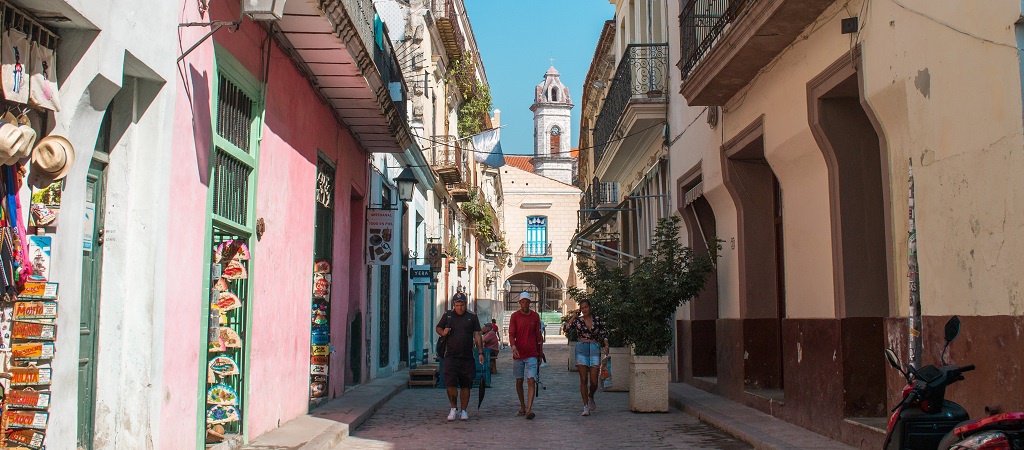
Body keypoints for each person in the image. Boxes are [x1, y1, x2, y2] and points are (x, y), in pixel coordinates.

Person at [435, 292, 485, 421]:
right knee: (450, 383)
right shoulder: (448, 316)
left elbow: (477, 335)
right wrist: (443, 332)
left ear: (465, 304)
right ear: (453, 305)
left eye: (461, 305)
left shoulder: (472, 317)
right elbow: (438, 328)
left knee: (466, 384)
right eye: (457, 305)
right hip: (450, 356)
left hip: (467, 356)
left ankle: (464, 410)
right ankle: (453, 408)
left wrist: (480, 352)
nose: (459, 308)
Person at [561, 299, 608, 416]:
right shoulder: (578, 321)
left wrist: (606, 345)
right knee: (583, 379)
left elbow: (603, 333)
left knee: (594, 381)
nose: (585, 309)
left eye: (586, 307)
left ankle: (591, 395)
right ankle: (585, 406)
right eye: (582, 308)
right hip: (581, 347)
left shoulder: (597, 320)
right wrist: (574, 315)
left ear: (590, 307)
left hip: (594, 347)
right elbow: (566, 329)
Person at [508, 291, 544, 419]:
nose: (524, 304)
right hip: (518, 354)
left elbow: (538, 336)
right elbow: (512, 334)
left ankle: (529, 409)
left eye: (527, 302)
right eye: (522, 302)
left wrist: (540, 353)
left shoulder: (535, 317)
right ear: (520, 303)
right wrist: (513, 347)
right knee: (519, 380)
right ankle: (522, 405)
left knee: (531, 380)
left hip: (532, 353)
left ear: (529, 303)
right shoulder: (515, 316)